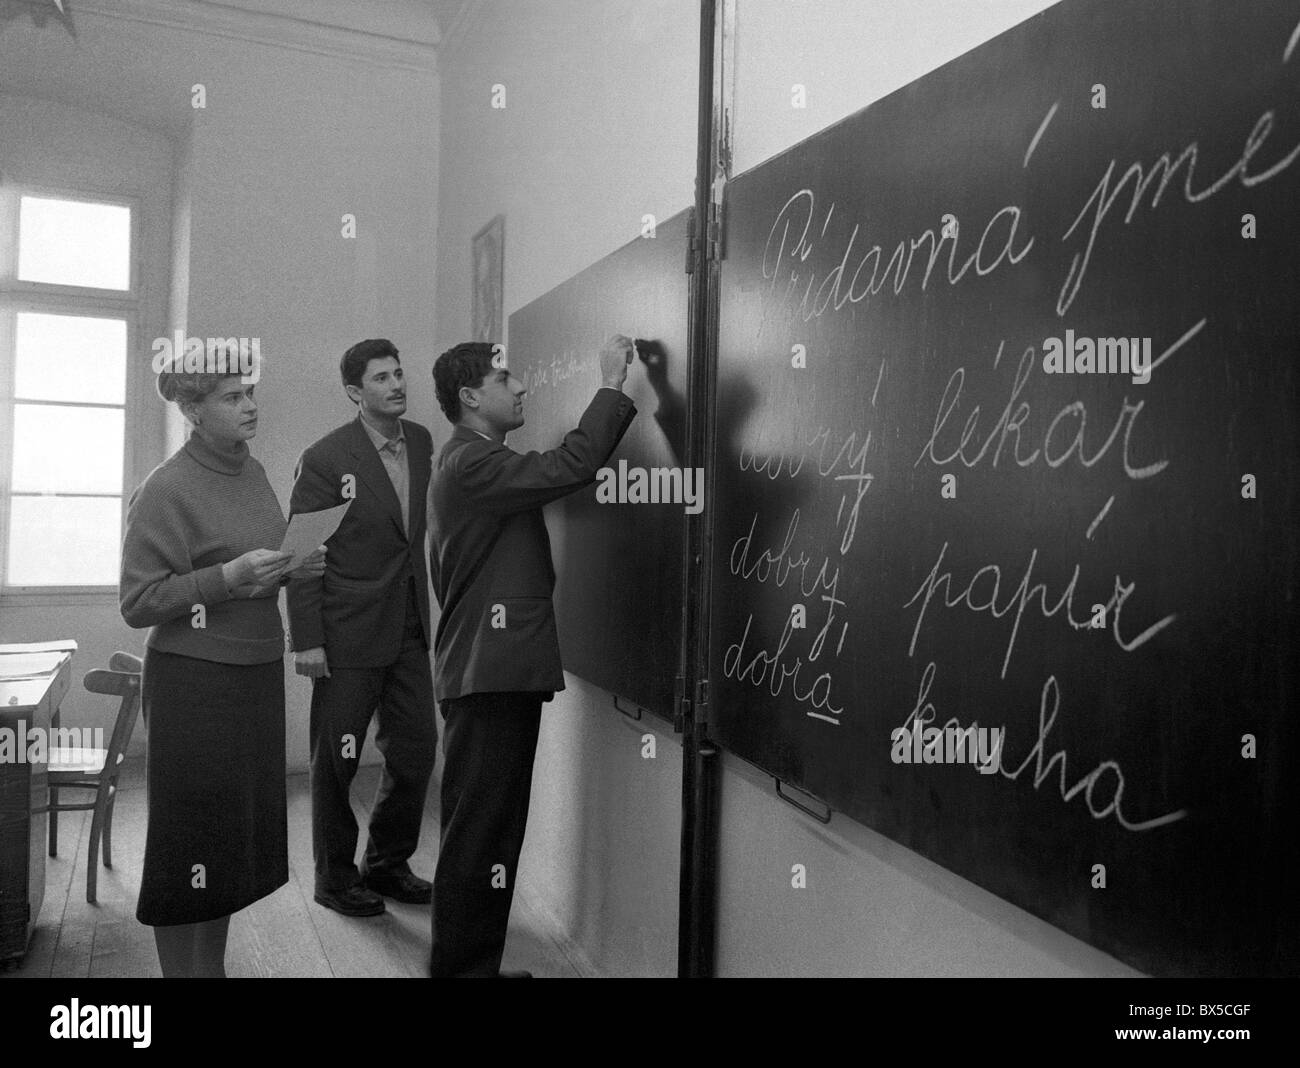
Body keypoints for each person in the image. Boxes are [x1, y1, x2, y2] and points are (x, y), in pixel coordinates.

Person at [427, 335, 636, 977]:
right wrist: (611, 386)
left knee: (489, 827)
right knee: (482, 831)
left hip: (493, 669)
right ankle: (463, 973)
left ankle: (471, 968)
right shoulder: (471, 463)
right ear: (470, 397)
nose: (522, 388)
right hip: (490, 672)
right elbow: (569, 465)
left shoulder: (473, 460)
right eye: (505, 378)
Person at [120, 366, 324, 978]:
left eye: (252, 393)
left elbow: (255, 560)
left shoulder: (252, 470)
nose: (250, 406)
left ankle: (211, 971)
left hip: (255, 674)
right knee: (189, 838)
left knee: (229, 839)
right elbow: (138, 602)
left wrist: (293, 565)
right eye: (233, 398)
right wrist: (227, 579)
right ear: (194, 411)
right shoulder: (166, 488)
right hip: (195, 684)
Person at [287, 339, 437, 917]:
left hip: (408, 628)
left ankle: (388, 863)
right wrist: (307, 639)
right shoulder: (325, 458)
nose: (397, 384)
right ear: (355, 391)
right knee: (337, 760)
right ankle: (333, 876)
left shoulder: (421, 441)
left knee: (417, 749)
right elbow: (302, 551)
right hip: (346, 633)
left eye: (400, 373)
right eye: (381, 378)